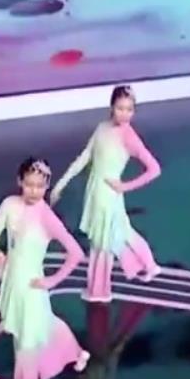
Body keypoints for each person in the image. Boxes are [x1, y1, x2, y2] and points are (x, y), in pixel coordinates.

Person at [0, 158, 91, 379]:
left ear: (47, 185)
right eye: (29, 185)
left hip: (32, 285)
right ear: (19, 181)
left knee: (28, 338)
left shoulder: (46, 216)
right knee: (34, 327)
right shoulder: (9, 204)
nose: (34, 191)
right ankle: (75, 354)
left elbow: (75, 253)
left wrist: (52, 281)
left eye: (40, 186)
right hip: (13, 281)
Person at [48, 85, 163, 302]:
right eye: (120, 108)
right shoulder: (102, 128)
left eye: (129, 109)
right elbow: (84, 157)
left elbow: (154, 169)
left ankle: (99, 290)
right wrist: (60, 184)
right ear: (112, 107)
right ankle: (148, 265)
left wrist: (125, 186)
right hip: (95, 192)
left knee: (103, 243)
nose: (125, 114)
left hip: (108, 196)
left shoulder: (129, 136)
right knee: (120, 233)